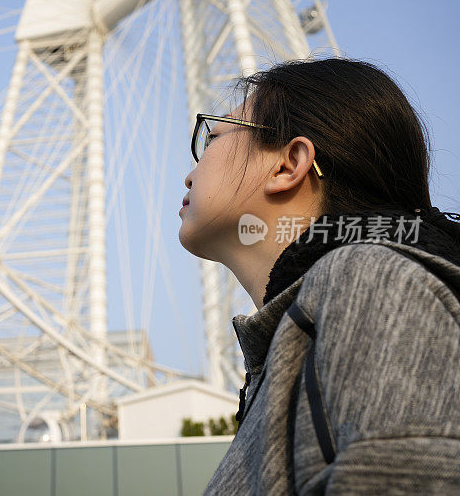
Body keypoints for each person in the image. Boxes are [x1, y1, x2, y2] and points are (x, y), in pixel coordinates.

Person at [178, 58, 460, 494]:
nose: (190, 171)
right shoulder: (290, 348)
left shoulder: (373, 281)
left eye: (212, 136)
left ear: (289, 165)